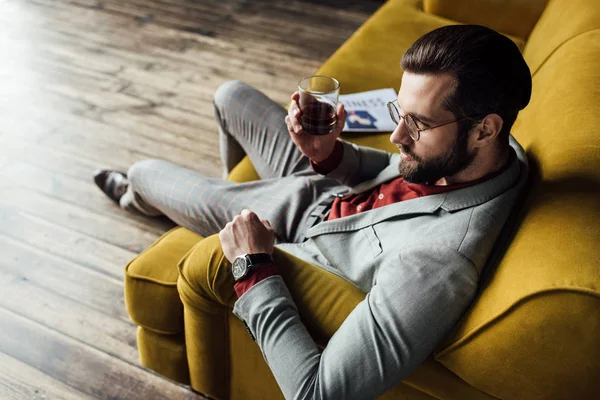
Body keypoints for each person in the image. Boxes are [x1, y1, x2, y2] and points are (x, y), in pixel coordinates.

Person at [95, 25, 531, 399]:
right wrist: (329, 155)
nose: (397, 135)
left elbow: (317, 392)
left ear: (483, 129)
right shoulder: (498, 152)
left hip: (295, 222)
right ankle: (228, 197)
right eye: (401, 112)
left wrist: (252, 267)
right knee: (231, 96)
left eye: (417, 123)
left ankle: (145, 199)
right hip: (327, 186)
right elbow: (390, 169)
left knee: (143, 172)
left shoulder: (437, 266)